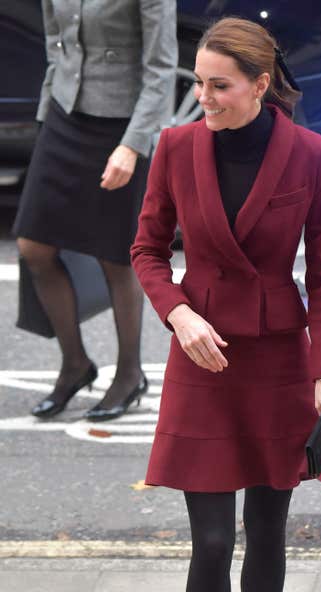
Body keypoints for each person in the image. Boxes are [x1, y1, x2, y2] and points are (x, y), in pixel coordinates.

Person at [131, 16, 321, 592]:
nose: (204, 97)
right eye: (198, 81)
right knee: (212, 543)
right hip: (203, 356)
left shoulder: (312, 155)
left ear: (261, 85)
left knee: (267, 532)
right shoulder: (176, 146)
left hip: (277, 362)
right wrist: (179, 309)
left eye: (218, 85)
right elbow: (147, 248)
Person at [14, 0, 177, 420]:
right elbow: (58, 43)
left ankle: (128, 374)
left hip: (121, 125)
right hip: (64, 115)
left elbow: (161, 68)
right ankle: (75, 364)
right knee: (34, 245)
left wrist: (133, 144)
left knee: (115, 255)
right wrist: (46, 114)